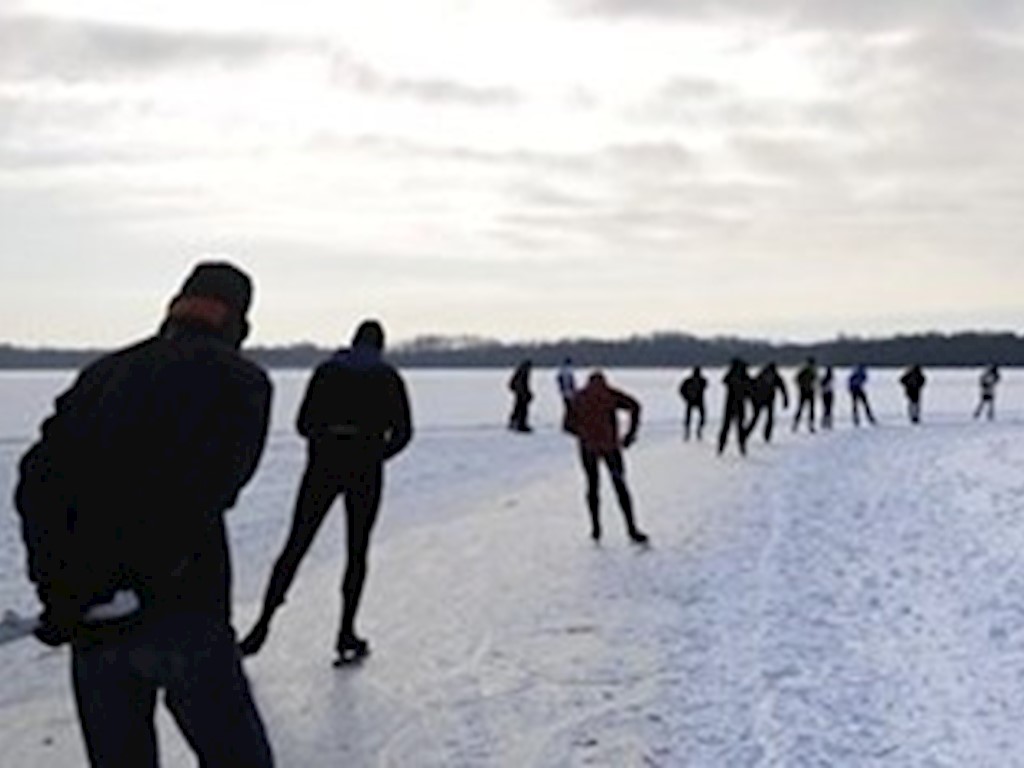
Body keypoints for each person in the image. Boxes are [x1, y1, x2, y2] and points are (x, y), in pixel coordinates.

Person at [14, 262, 274, 767]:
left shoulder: (103, 375)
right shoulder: (240, 381)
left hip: (92, 618)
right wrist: (147, 578)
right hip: (184, 611)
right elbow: (212, 489)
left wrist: (60, 586)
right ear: (238, 322)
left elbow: (38, 481)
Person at [240, 320, 412, 665]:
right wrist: (374, 453)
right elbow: (404, 432)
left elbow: (303, 423)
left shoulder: (327, 372)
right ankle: (345, 632)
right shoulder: (387, 377)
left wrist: (327, 442)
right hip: (365, 470)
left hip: (324, 466)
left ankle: (261, 626)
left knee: (296, 544)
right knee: (356, 551)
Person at [567, 371, 648, 544]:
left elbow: (568, 425)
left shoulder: (579, 397)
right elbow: (635, 406)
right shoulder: (610, 394)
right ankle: (631, 528)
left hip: (588, 448)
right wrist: (630, 434)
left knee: (592, 485)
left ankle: (596, 528)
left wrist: (584, 433)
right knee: (620, 486)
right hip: (610, 447)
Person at [744, 362, 789, 443]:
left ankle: (746, 433)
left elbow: (752, 386)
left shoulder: (761, 374)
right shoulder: (775, 376)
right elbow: (783, 389)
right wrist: (785, 400)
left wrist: (749, 397)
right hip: (768, 400)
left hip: (759, 399)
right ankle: (766, 435)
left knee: (756, 418)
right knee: (769, 418)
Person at [718, 357, 751, 456]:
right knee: (739, 427)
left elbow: (724, 381)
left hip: (730, 404)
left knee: (726, 426)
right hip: (738, 404)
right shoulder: (743, 376)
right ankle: (742, 448)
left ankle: (721, 448)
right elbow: (750, 388)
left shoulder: (732, 374)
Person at [678, 366, 708, 441]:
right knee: (700, 416)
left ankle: (691, 431)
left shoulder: (689, 381)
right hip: (697, 401)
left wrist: (686, 398)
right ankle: (694, 431)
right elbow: (705, 385)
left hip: (691, 401)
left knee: (690, 417)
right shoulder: (701, 380)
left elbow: (681, 390)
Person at [792, 357, 818, 433]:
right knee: (801, 409)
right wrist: (801, 387)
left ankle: (810, 425)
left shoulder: (813, 371)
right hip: (804, 392)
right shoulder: (804, 370)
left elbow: (815, 381)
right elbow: (796, 379)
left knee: (811, 409)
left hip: (810, 392)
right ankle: (795, 425)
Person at [507, 359, 533, 433]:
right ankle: (521, 425)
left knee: (517, 408)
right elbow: (521, 384)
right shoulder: (524, 372)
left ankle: (514, 423)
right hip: (520, 393)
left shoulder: (520, 371)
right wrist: (525, 394)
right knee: (522, 409)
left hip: (519, 392)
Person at [556, 357, 577, 432]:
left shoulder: (561, 371)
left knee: (568, 409)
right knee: (570, 409)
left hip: (564, 393)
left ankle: (567, 424)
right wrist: (573, 391)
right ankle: (569, 425)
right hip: (568, 393)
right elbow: (571, 383)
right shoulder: (568, 372)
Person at [820, 366, 835, 430]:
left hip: (826, 394)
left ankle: (826, 422)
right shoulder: (827, 379)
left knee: (827, 408)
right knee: (828, 408)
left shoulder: (826, 378)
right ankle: (826, 422)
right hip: (827, 394)